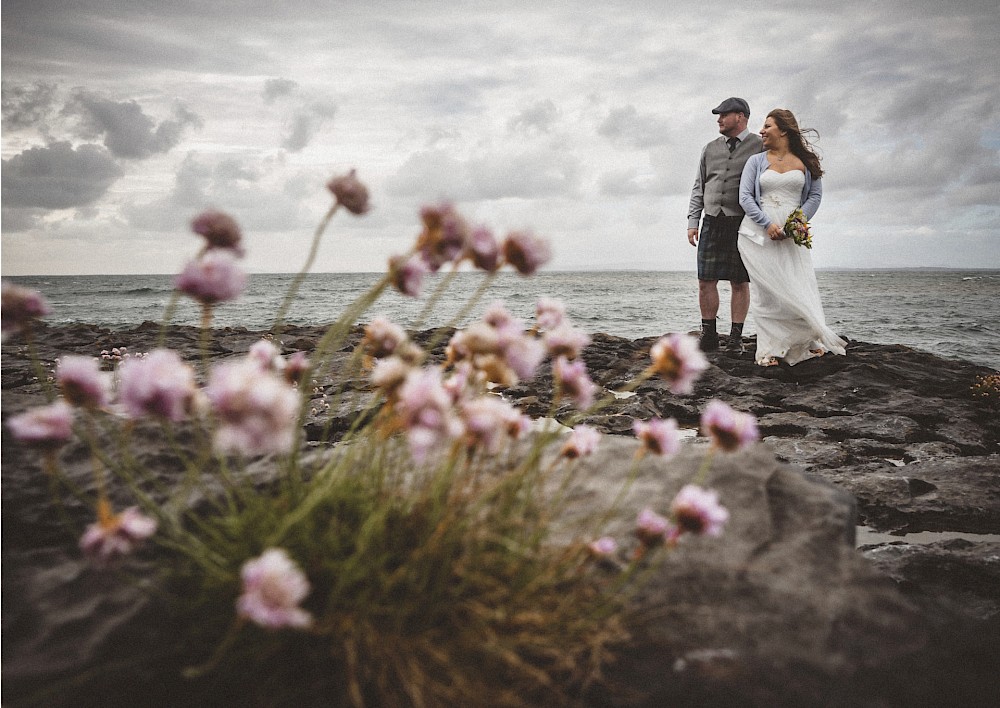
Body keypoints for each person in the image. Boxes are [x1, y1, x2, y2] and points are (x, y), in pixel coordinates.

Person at [737, 108, 847, 366]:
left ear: (783, 130)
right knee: (768, 292)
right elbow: (745, 197)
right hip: (757, 235)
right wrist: (767, 224)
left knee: (797, 285)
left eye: (767, 126)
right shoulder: (756, 162)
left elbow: (814, 197)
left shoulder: (806, 162)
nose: (761, 131)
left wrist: (795, 224)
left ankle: (804, 342)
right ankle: (769, 350)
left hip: (792, 235)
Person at [687, 97, 763, 353]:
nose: (719, 119)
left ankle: (735, 337)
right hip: (711, 220)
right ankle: (708, 334)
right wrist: (692, 220)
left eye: (723, 115)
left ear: (740, 116)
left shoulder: (760, 146)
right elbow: (699, 185)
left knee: (739, 281)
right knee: (705, 279)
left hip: (741, 222)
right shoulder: (709, 148)